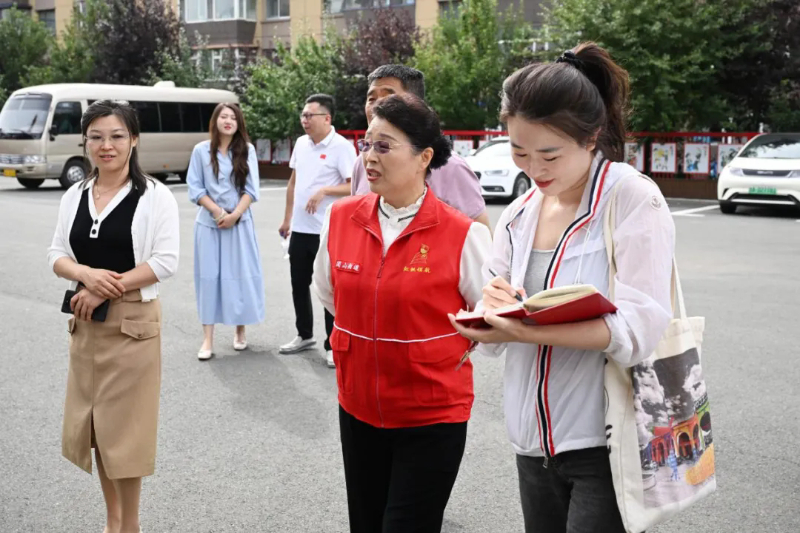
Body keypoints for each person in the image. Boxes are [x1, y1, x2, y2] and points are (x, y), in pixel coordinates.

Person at [449, 43, 676, 533]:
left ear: (592, 137)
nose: (535, 169)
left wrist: (524, 331)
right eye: (519, 152)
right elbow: (494, 305)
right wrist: (490, 308)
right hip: (531, 442)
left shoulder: (632, 198)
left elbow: (640, 328)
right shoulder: (519, 213)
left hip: (606, 441)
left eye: (549, 154)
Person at [313, 93, 492, 533]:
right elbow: (329, 294)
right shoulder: (340, 218)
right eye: (366, 144)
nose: (369, 157)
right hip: (358, 408)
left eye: (384, 146)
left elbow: (488, 320)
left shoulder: (463, 234)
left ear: (424, 157)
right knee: (366, 524)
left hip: (431, 416)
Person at [47, 100, 180, 533]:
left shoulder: (154, 195)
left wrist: (105, 286)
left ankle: (131, 526)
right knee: (98, 431)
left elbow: (164, 262)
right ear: (85, 142)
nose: (107, 145)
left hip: (133, 328)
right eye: (97, 137)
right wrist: (84, 275)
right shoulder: (75, 194)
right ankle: (113, 521)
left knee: (126, 434)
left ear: (134, 140)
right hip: (87, 325)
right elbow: (57, 254)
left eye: (117, 136)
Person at [350, 64, 491, 228]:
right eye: (371, 99)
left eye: (388, 98)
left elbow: (479, 234)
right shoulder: (363, 162)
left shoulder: (451, 168)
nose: (376, 107)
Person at [279, 94, 356, 367]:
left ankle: (332, 344)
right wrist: (287, 219)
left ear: (327, 118)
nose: (304, 120)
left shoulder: (342, 147)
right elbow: (293, 183)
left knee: (329, 289)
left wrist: (324, 191)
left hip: (328, 231)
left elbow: (354, 185)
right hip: (300, 229)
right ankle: (304, 335)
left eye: (309, 115)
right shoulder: (301, 144)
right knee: (298, 284)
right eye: (303, 115)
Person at [187, 103, 264, 360]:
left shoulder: (247, 150)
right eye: (223, 116)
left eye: (233, 117)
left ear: (238, 123)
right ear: (215, 121)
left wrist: (234, 215)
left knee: (239, 276)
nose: (228, 120)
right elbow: (195, 188)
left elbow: (251, 190)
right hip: (208, 224)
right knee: (208, 279)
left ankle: (240, 331)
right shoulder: (200, 151)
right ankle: (207, 339)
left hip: (239, 223)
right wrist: (218, 212)